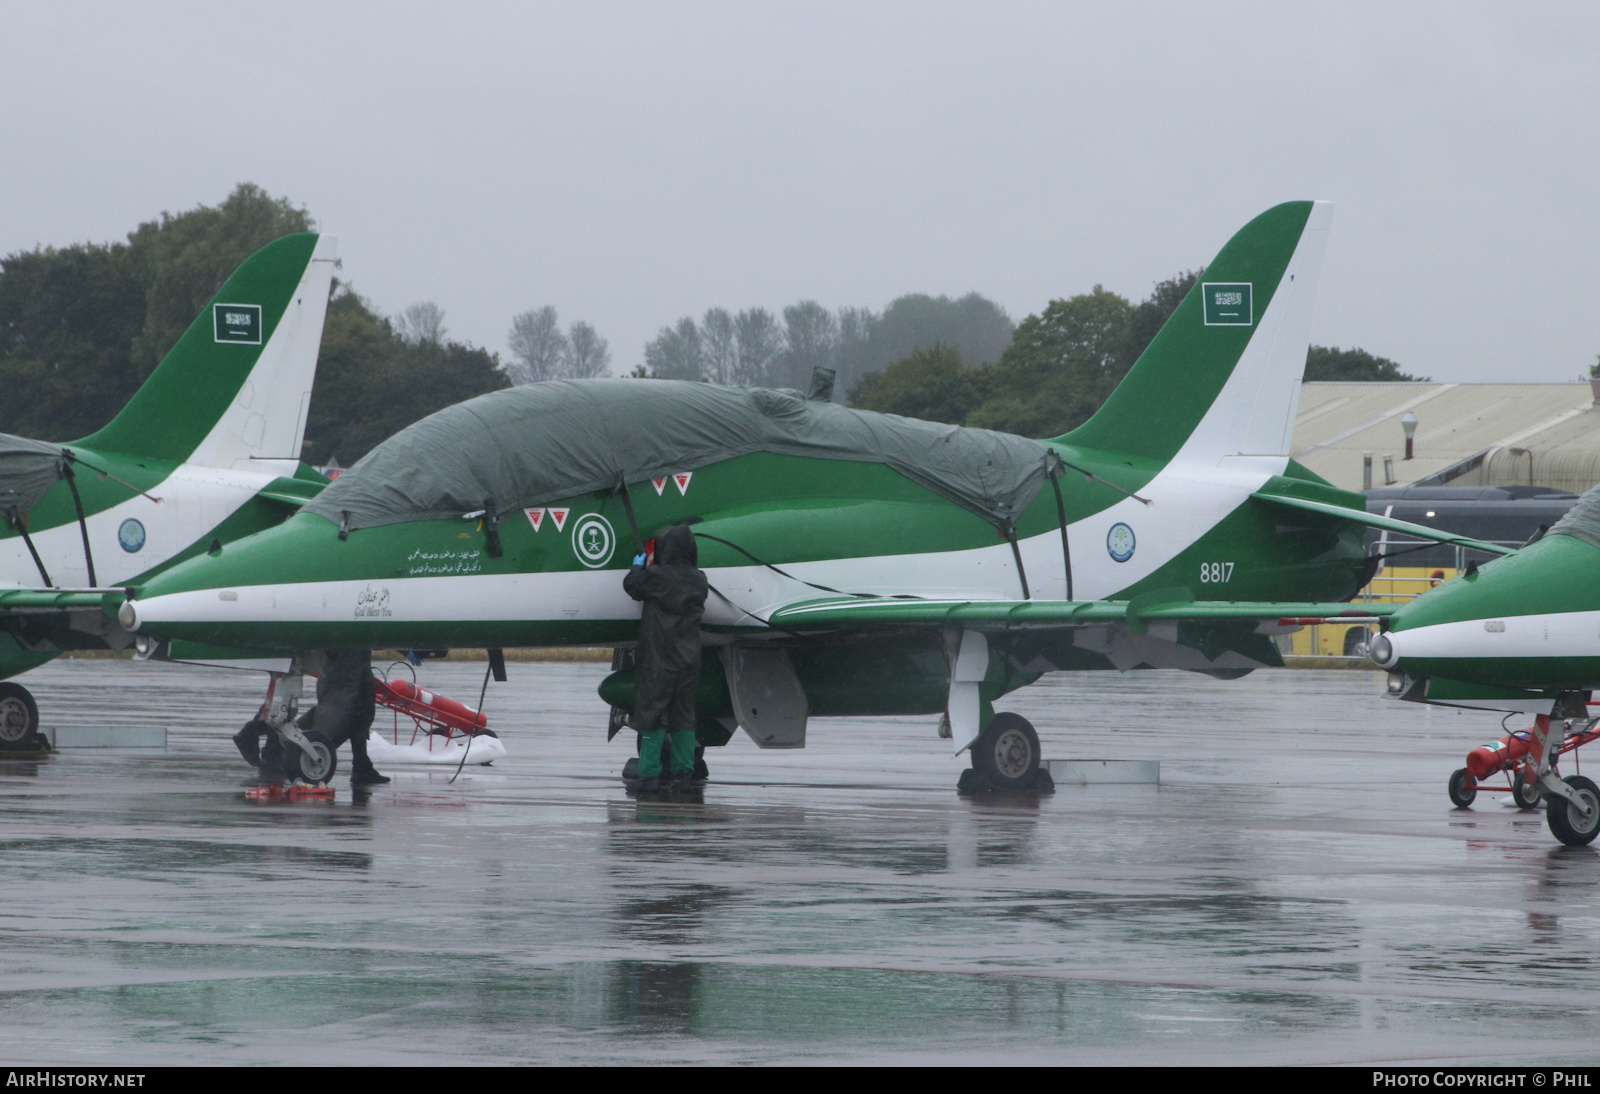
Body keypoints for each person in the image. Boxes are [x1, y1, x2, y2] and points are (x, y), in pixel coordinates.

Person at [622, 524, 708, 792]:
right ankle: (684, 775)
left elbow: (632, 586)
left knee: (651, 716)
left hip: (659, 659)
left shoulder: (659, 577)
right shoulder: (699, 578)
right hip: (689, 658)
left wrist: (638, 567)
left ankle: (648, 776)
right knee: (683, 716)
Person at [233, 649, 389, 785]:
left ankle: (361, 764)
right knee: (351, 713)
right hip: (346, 671)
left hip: (343, 670)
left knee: (357, 712)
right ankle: (268, 749)